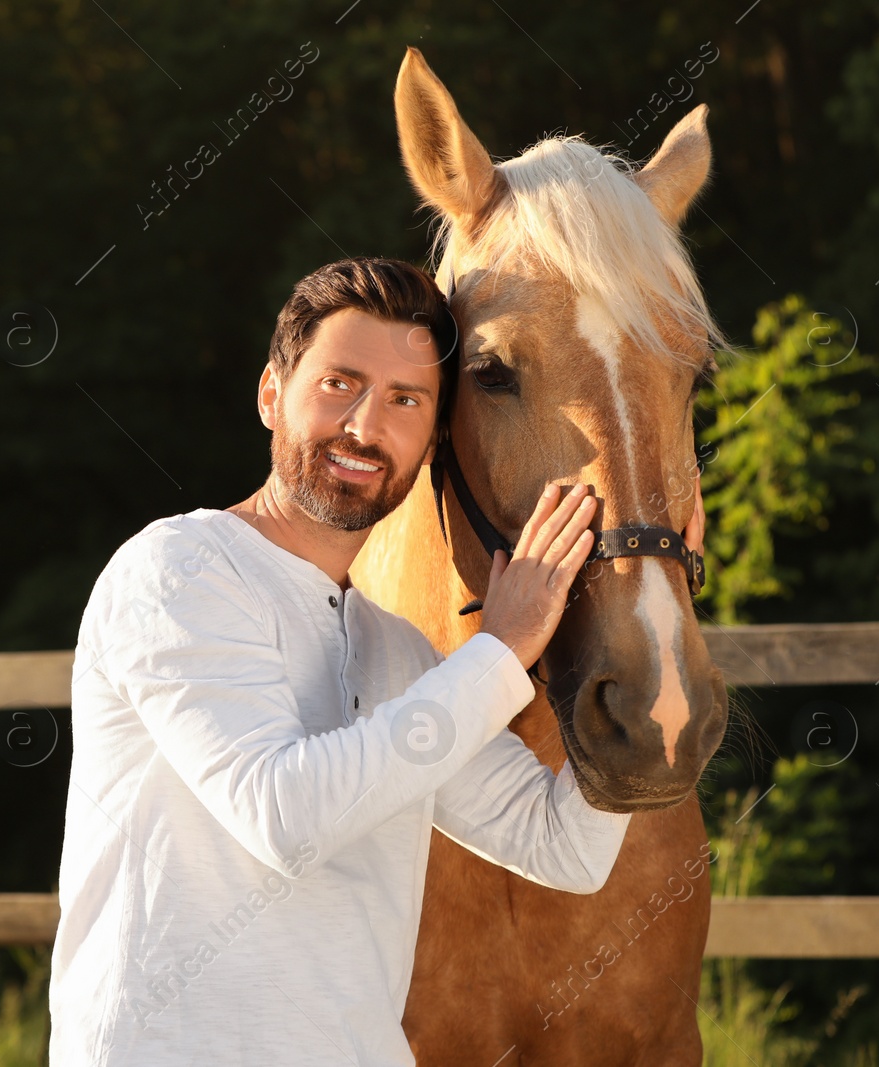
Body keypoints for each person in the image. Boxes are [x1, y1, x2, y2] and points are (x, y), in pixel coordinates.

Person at [48, 257, 705, 1065]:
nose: (365, 425)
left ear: (432, 441)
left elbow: (561, 846)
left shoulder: (394, 651)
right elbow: (283, 816)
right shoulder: (178, 571)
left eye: (405, 401)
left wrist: (649, 628)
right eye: (339, 383)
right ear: (269, 395)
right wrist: (501, 650)